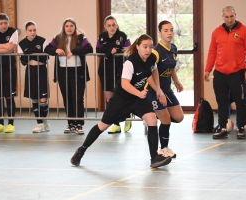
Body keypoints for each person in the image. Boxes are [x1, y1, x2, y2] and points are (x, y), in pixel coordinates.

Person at [70, 34, 172, 168]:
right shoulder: (131, 62)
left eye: (150, 47)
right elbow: (125, 84)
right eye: (145, 47)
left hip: (137, 98)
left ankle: (154, 159)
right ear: (138, 47)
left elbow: (154, 72)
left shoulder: (152, 58)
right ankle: (81, 150)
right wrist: (139, 93)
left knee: (152, 119)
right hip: (121, 98)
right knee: (103, 126)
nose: (148, 50)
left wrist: (158, 89)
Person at [204, 6, 246, 139]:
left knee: (240, 101)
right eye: (226, 17)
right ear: (223, 17)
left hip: (237, 72)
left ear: (235, 15)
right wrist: (207, 69)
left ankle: (241, 128)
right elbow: (212, 52)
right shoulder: (216, 32)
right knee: (222, 101)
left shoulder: (244, 30)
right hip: (220, 72)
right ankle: (222, 128)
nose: (229, 19)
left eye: (231, 16)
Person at [44, 18, 93, 134]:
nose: (69, 28)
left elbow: (89, 48)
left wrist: (75, 51)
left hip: (78, 72)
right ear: (64, 27)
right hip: (63, 72)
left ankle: (79, 124)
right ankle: (70, 123)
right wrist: (56, 50)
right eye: (67, 26)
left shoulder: (81, 37)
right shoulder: (58, 37)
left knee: (78, 98)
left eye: (71, 26)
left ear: (75, 27)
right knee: (68, 99)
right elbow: (47, 48)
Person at [146, 20, 184, 158]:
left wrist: (176, 80)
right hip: (153, 90)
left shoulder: (173, 48)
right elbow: (148, 75)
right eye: (166, 30)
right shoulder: (156, 52)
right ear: (160, 32)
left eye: (171, 30)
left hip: (167, 89)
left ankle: (157, 115)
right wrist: (158, 91)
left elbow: (171, 66)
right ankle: (163, 148)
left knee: (179, 117)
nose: (169, 33)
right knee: (166, 119)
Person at [96, 15, 132, 134]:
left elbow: (129, 49)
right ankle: (116, 124)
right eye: (109, 25)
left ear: (117, 25)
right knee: (109, 98)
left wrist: (118, 50)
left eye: (114, 25)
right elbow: (98, 50)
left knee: (120, 96)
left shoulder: (122, 36)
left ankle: (127, 116)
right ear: (105, 27)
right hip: (106, 70)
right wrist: (109, 52)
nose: (112, 28)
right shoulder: (102, 37)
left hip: (119, 70)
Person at [18, 21, 50, 133]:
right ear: (26, 31)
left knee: (43, 98)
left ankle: (44, 120)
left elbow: (45, 58)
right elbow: (23, 60)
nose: (32, 32)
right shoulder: (22, 43)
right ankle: (39, 123)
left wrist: (32, 54)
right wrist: (34, 53)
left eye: (34, 30)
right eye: (30, 30)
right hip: (30, 71)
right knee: (35, 98)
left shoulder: (42, 40)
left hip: (41, 70)